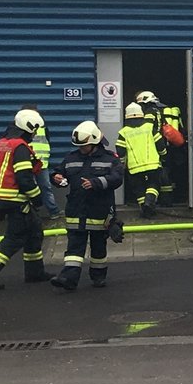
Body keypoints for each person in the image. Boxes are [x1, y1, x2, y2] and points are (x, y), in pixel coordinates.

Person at [0, 108, 48, 290]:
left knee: (34, 232)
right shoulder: (20, 147)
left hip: (3, 197)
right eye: (33, 131)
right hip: (17, 199)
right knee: (14, 238)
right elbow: (24, 177)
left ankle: (35, 272)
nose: (33, 135)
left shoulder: (3, 144)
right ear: (27, 128)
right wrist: (37, 197)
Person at [49, 121, 124, 291]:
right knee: (74, 247)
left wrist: (96, 182)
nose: (82, 149)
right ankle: (68, 278)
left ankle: (98, 277)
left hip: (99, 211)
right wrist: (57, 177)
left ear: (95, 142)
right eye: (80, 147)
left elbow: (117, 178)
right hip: (76, 210)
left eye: (85, 146)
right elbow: (58, 171)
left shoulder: (110, 159)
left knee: (98, 247)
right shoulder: (71, 158)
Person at [116, 102, 165, 218]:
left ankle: (145, 209)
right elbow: (160, 144)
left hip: (134, 168)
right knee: (154, 184)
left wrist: (122, 163)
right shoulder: (149, 127)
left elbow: (120, 150)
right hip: (153, 164)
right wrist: (163, 154)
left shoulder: (124, 132)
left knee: (139, 189)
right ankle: (149, 201)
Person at [136, 90, 186, 202]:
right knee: (167, 172)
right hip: (170, 145)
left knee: (160, 173)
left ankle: (162, 200)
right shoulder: (167, 110)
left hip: (157, 146)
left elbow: (149, 131)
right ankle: (168, 200)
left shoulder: (150, 111)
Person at [30, 111, 61, 218]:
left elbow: (47, 143)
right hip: (27, 164)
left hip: (42, 164)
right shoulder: (20, 130)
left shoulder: (43, 128)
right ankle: (31, 212)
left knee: (46, 187)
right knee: (30, 188)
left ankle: (53, 211)